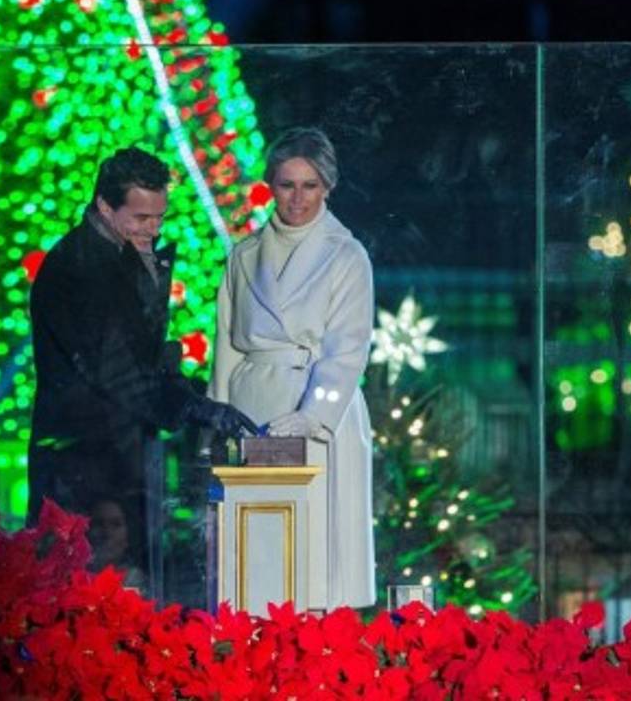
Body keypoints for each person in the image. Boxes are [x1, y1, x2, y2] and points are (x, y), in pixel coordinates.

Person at [28, 146, 254, 589]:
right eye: (140, 218)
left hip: (114, 447)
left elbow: (140, 356)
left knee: (124, 583)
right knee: (85, 586)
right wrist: (192, 408)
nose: (152, 229)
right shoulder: (79, 266)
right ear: (104, 207)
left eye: (159, 218)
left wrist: (189, 399)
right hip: (85, 455)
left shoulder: (118, 253)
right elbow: (115, 368)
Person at [209, 127, 376, 609]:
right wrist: (217, 417)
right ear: (270, 185)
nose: (297, 197)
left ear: (327, 186)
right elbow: (227, 344)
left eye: (309, 185)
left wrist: (314, 415)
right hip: (251, 408)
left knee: (314, 550)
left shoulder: (347, 256)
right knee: (255, 554)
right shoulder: (243, 255)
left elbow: (348, 350)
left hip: (319, 414)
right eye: (287, 184)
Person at [87, 497, 148, 594]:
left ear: (128, 536)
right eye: (99, 524)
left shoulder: (135, 580)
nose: (107, 532)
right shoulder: (71, 578)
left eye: (116, 524)